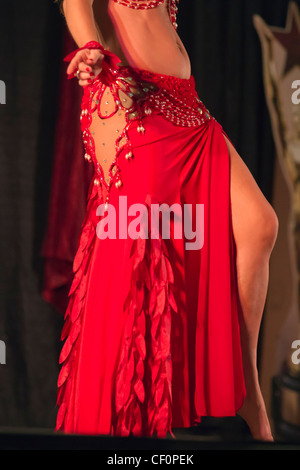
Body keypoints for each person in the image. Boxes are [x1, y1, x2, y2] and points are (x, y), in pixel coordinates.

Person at [55, 0, 278, 441]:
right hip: (134, 101)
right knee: (147, 269)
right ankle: (148, 427)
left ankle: (244, 383)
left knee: (259, 224)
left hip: (186, 106)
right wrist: (91, 46)